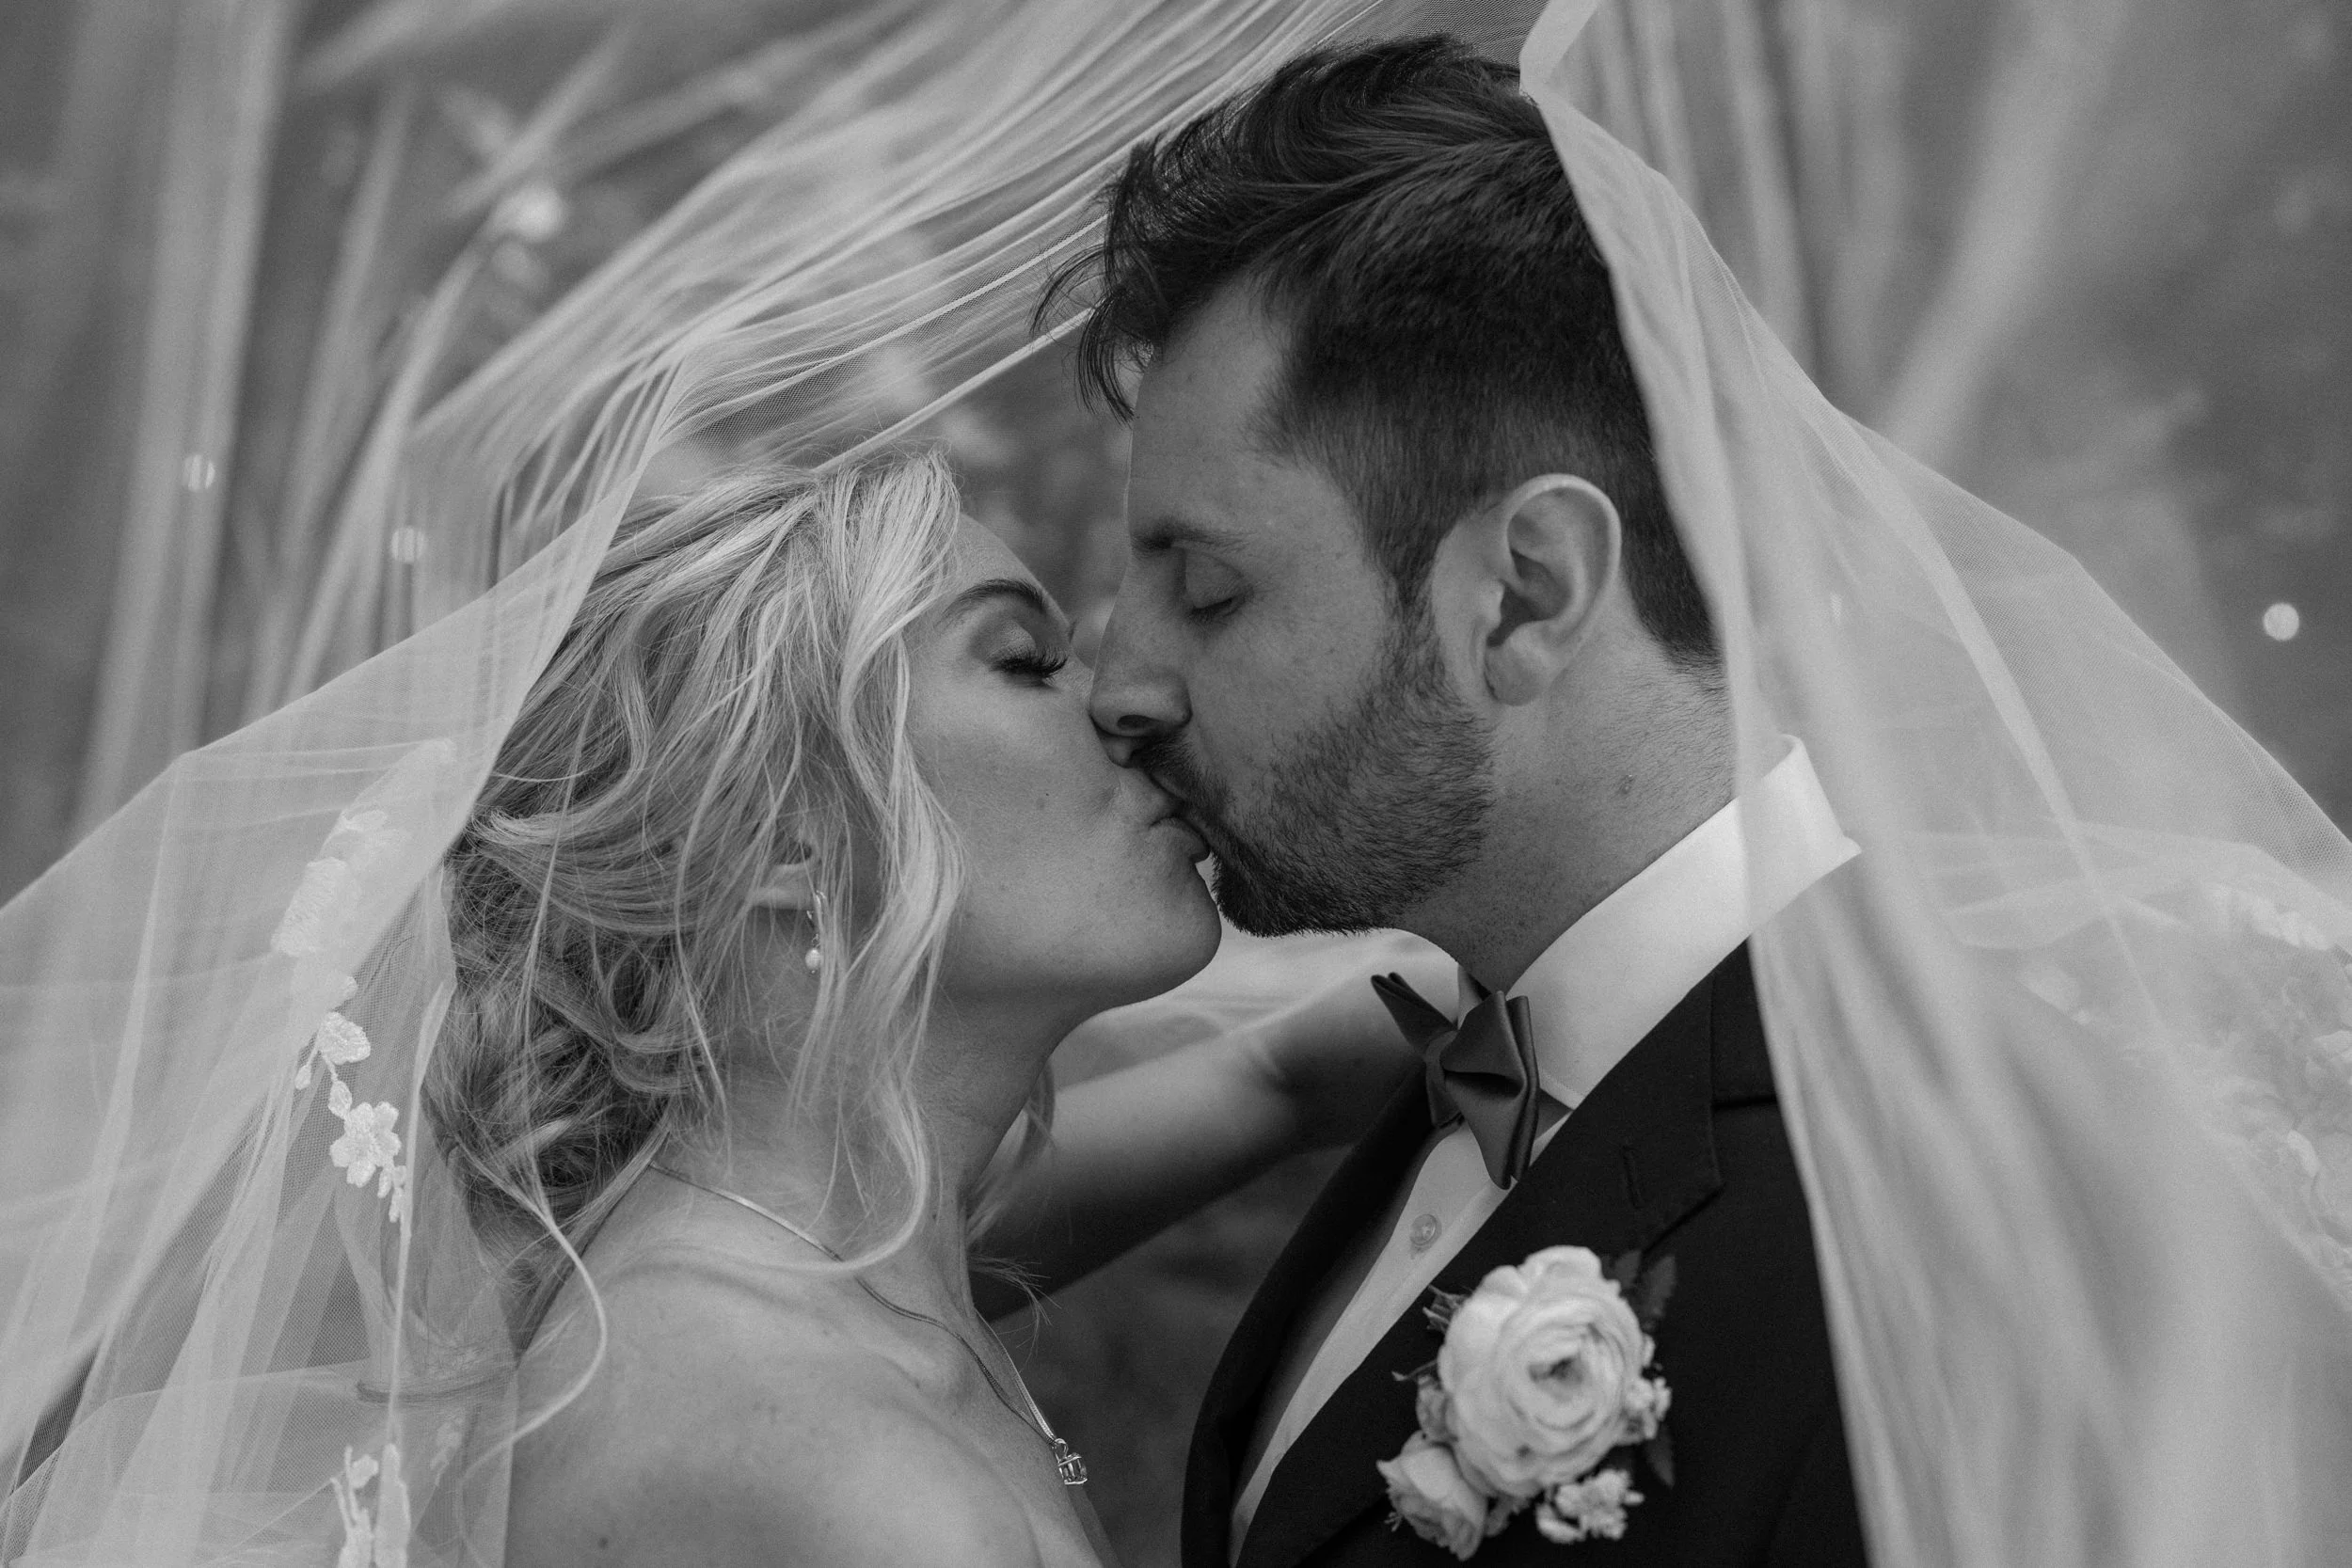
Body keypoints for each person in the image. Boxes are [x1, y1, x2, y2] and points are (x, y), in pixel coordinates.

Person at [1069, 39, 1869, 1566]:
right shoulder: (1451, 1061)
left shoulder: (1906, 1226)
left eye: (1210, 589)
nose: (1124, 684)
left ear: (1524, 595)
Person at [427, 451, 1435, 1567]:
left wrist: (1303, 1066)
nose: (1122, 703)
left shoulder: (820, 1264)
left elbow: (1273, 1079)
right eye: (1026, 660)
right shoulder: (847, 1479)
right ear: (780, 839)